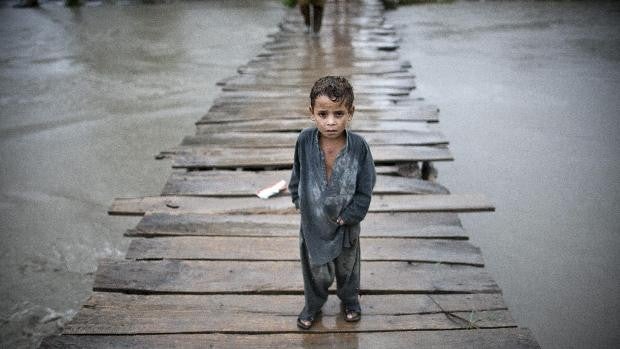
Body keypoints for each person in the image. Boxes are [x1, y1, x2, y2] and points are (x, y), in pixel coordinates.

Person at [288, 76, 376, 330]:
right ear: (312, 113)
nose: (330, 122)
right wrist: (299, 201)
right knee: (315, 271)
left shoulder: (358, 147)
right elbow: (297, 174)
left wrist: (351, 215)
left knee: (348, 268)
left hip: (346, 224)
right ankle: (313, 305)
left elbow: (366, 186)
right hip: (313, 224)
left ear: (350, 113)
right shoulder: (304, 141)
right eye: (323, 114)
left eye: (339, 114)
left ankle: (350, 301)